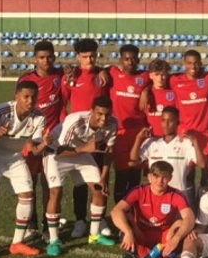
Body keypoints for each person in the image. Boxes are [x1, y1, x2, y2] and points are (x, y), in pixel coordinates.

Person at [0, 81, 49, 258]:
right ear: (16, 96)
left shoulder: (39, 117)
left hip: (14, 158)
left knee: (27, 195)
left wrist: (45, 143)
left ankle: (17, 243)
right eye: (26, 97)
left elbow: (33, 149)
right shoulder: (1, 111)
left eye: (33, 97)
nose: (30, 100)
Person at [43, 96, 119, 256]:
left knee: (99, 190)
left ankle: (94, 235)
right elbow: (61, 151)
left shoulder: (113, 124)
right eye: (99, 114)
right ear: (92, 112)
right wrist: (85, 148)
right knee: (56, 192)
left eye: (107, 114)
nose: (103, 118)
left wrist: (104, 177)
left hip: (81, 152)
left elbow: (109, 151)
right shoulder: (75, 121)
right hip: (56, 153)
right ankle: (54, 240)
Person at [60, 37, 110, 238]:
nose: (90, 60)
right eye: (85, 56)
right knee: (80, 181)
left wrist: (103, 69)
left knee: (99, 179)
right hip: (78, 136)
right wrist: (65, 127)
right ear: (77, 57)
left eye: (93, 56)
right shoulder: (70, 77)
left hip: (99, 135)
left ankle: (100, 219)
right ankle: (80, 220)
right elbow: (63, 103)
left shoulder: (103, 75)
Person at [17, 40, 65, 239]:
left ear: (54, 57)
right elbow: (19, 107)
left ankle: (47, 226)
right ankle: (31, 224)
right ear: (35, 59)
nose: (46, 61)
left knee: (49, 185)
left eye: (49, 57)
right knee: (28, 184)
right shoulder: (25, 79)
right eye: (42, 57)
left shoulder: (60, 75)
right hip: (30, 138)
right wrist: (25, 137)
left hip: (51, 139)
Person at [111, 161, 195, 258]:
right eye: (156, 176)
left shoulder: (176, 194)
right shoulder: (139, 191)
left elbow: (190, 217)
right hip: (141, 234)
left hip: (166, 237)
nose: (160, 181)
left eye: (164, 177)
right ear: (149, 177)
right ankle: (138, 256)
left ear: (170, 178)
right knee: (126, 222)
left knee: (181, 225)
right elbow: (116, 211)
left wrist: (176, 238)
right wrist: (128, 231)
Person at [128, 106, 205, 208]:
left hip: (179, 197)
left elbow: (202, 164)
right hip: (155, 197)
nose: (166, 124)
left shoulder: (185, 143)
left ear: (177, 122)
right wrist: (138, 139)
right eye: (163, 120)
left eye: (170, 121)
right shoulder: (152, 143)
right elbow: (132, 162)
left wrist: (195, 143)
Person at [170, 49, 208, 195]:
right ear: (184, 63)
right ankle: (190, 206)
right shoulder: (175, 81)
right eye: (189, 63)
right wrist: (145, 90)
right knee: (187, 175)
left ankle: (202, 207)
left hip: (205, 135)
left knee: (206, 174)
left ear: (201, 63)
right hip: (185, 135)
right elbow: (154, 78)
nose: (193, 66)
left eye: (196, 63)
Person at [108, 44, 150, 205]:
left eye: (133, 59)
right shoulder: (112, 73)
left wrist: (146, 89)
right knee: (121, 174)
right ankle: (119, 211)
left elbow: (158, 80)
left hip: (138, 133)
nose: (130, 62)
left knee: (134, 175)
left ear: (138, 60)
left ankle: (133, 211)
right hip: (120, 132)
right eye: (126, 59)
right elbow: (100, 71)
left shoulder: (144, 76)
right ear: (121, 60)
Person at [139, 58, 177, 137]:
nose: (160, 78)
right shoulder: (145, 94)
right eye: (157, 74)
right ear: (151, 75)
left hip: (170, 138)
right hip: (151, 138)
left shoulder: (173, 92)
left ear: (167, 75)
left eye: (163, 74)